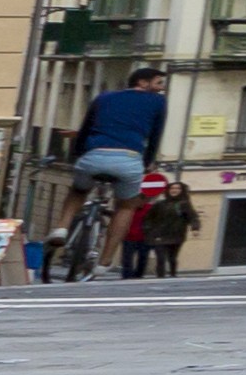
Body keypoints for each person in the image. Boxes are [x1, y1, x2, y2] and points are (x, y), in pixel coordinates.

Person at [63, 61, 172, 265]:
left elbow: (86, 127)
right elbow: (155, 136)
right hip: (128, 160)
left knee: (77, 192)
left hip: (94, 155)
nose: (161, 87)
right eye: (158, 83)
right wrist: (147, 162)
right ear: (142, 82)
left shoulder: (103, 97)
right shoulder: (158, 101)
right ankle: (105, 261)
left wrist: (78, 153)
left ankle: (61, 228)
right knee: (125, 207)